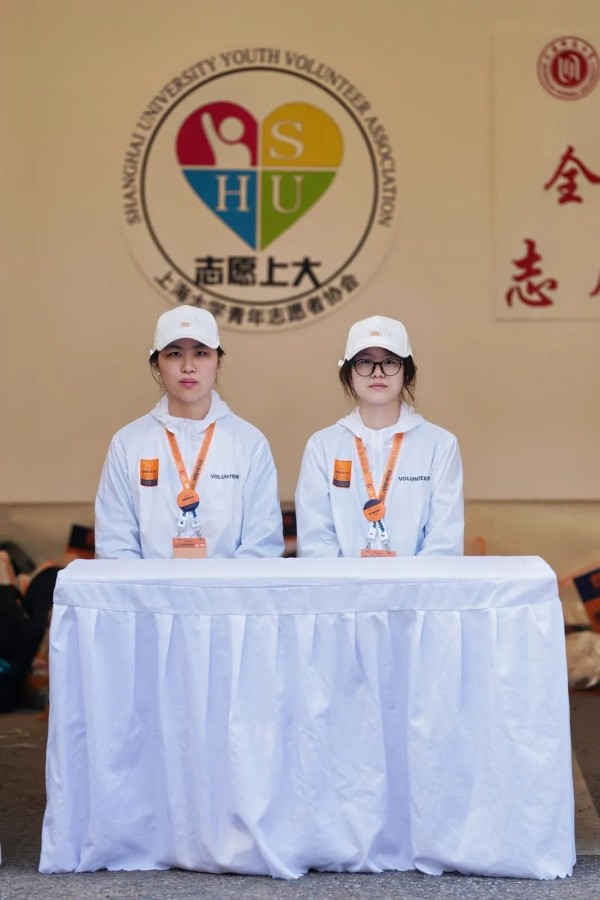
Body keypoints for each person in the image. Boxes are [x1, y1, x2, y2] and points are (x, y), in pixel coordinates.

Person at [95, 307, 284, 559]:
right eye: (174, 354)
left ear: (218, 362)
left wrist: (218, 585)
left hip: (230, 586)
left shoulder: (250, 443)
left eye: (201, 353)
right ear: (157, 364)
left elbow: (262, 545)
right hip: (147, 587)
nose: (188, 367)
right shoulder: (127, 443)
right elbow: (114, 546)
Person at [295, 315, 463, 557]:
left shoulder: (440, 445)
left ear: (406, 372)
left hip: (418, 582)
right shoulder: (322, 446)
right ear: (349, 373)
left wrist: (408, 581)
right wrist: (348, 581)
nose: (377, 373)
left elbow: (444, 542)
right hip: (339, 582)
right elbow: (316, 542)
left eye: (390, 361)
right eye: (365, 362)